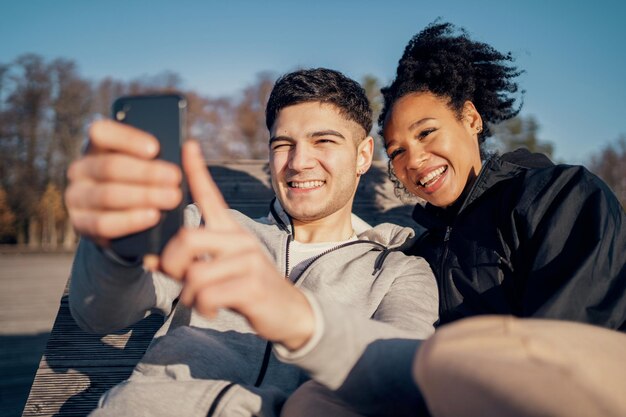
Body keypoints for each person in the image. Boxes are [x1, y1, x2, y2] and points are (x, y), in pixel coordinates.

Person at [282, 21, 626, 417]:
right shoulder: (421, 250)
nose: (413, 160)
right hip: (456, 396)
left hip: (573, 390)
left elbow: (570, 340)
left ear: (471, 119)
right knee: (315, 398)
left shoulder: (559, 195)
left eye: (426, 133)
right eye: (396, 152)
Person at [65, 68, 438, 417]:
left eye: (323, 140)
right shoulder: (208, 227)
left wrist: (294, 315)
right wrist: (113, 249)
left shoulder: (399, 270)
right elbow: (100, 315)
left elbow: (409, 378)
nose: (298, 162)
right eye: (283, 144)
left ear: (362, 156)